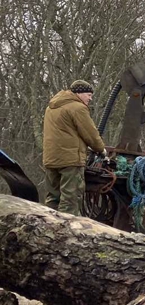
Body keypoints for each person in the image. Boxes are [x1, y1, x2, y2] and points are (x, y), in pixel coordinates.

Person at [42, 80, 107, 215]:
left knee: (53, 198)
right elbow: (90, 134)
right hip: (70, 160)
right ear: (79, 93)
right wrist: (101, 149)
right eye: (89, 94)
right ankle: (65, 232)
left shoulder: (51, 107)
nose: (90, 98)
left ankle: (47, 227)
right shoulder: (77, 108)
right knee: (70, 199)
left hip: (50, 159)